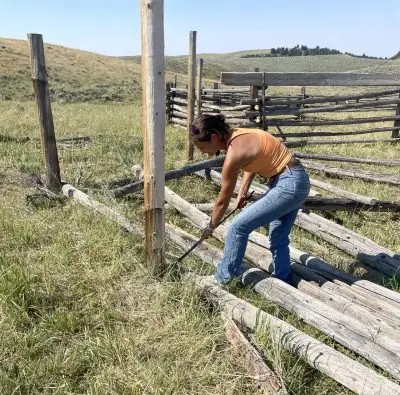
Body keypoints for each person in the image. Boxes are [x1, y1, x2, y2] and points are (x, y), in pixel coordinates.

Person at [190, 114, 310, 284]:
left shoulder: (234, 154)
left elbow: (222, 201)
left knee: (238, 228)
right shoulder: (241, 134)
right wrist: (242, 192)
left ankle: (223, 278)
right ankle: (283, 279)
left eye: (201, 146)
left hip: (288, 184)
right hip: (296, 180)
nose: (201, 151)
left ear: (214, 137)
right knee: (278, 237)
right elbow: (254, 160)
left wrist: (211, 226)